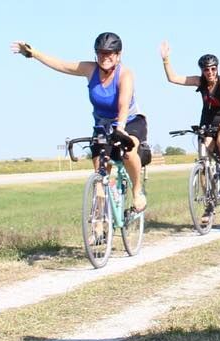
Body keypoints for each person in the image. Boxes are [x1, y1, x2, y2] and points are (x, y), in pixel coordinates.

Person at [10, 32, 148, 212]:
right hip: (103, 125)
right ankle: (99, 224)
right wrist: (33, 53)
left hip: (129, 121)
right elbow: (61, 65)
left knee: (129, 152)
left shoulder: (125, 74)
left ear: (118, 55)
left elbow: (123, 105)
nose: (104, 57)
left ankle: (137, 192)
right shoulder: (90, 70)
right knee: (100, 175)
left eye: (109, 53)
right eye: (100, 53)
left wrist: (120, 128)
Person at [159, 41, 220, 199]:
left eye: (213, 69)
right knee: (204, 157)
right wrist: (166, 59)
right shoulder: (200, 81)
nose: (210, 72)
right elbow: (173, 78)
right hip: (207, 123)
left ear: (217, 68)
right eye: (206, 70)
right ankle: (208, 200)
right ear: (202, 71)